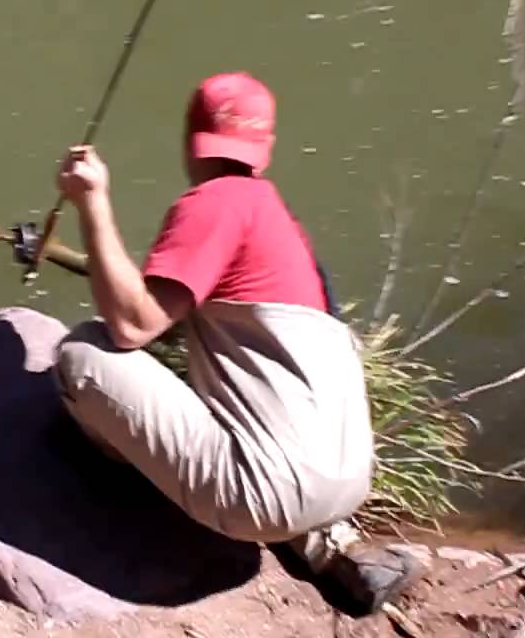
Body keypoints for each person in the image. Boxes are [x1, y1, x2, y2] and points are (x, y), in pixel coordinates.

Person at [52, 71, 421, 614]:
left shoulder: (213, 203)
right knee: (250, 426)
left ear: (189, 137)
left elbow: (132, 326)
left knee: (81, 354)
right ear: (265, 147)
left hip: (260, 494)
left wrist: (93, 202)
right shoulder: (281, 225)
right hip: (347, 480)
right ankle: (328, 550)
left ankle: (121, 493)